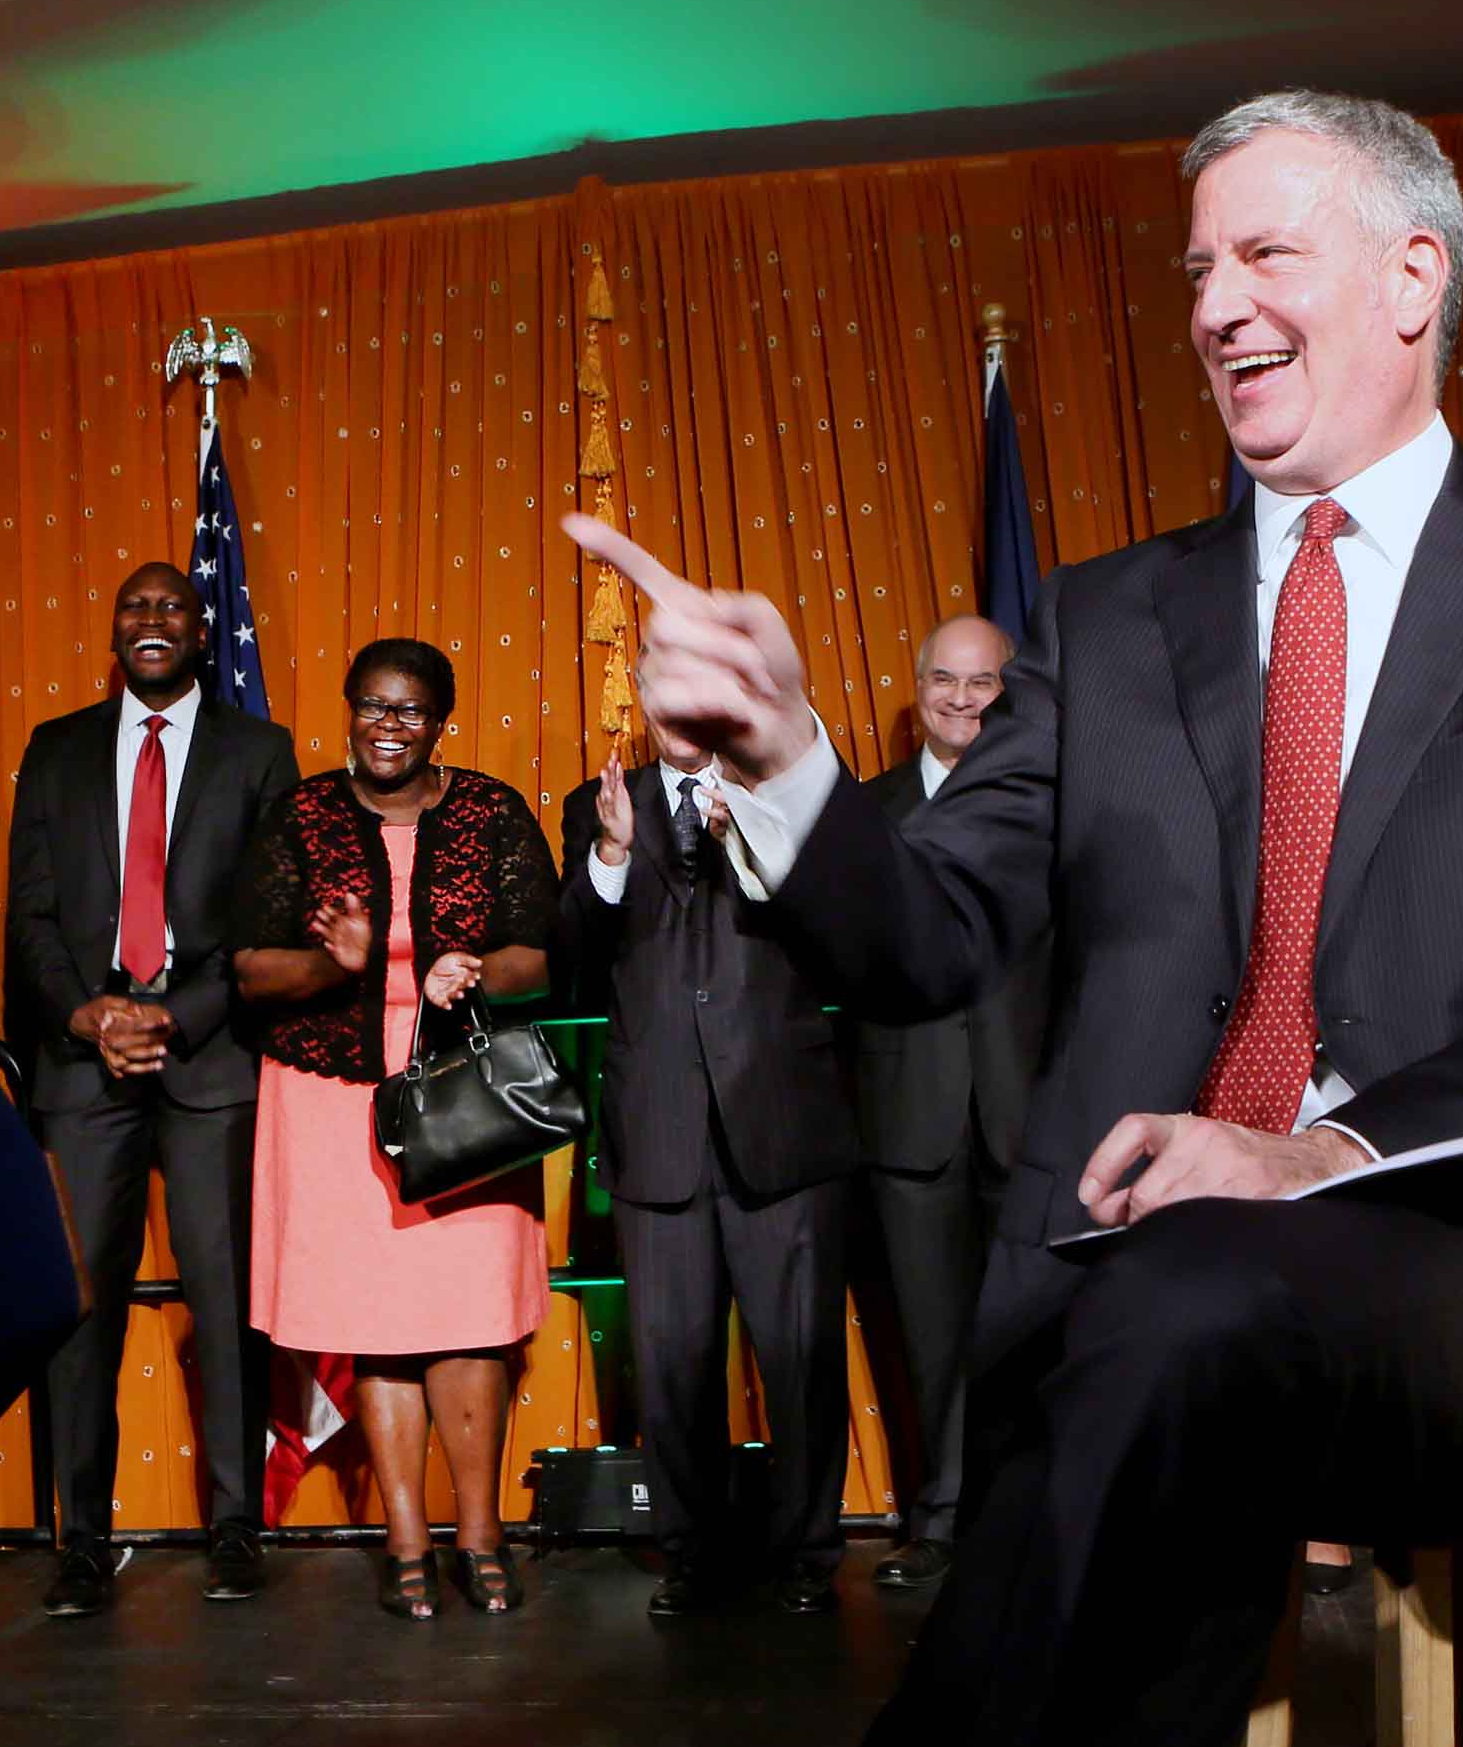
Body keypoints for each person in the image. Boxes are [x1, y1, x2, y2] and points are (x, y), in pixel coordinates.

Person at [569, 87, 1463, 1747]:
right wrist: (788, 756)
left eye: (1265, 251)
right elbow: (924, 935)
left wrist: (1320, 1153)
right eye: (1198, 265)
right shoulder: (1108, 617)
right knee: (1169, 1328)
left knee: (1183, 1308)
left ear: (1414, 275)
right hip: (1144, 1310)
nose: (1212, 305)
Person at [237, 640, 556, 1622]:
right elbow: (248, 969)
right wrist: (335, 965)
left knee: (468, 1321)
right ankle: (408, 1543)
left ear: (439, 723)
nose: (388, 725)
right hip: (335, 1094)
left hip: (462, 1096)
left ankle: (482, 1534)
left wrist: (471, 967)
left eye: (410, 711)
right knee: (377, 1326)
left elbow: (540, 957)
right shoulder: (297, 815)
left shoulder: (493, 811)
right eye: (372, 706)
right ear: (348, 710)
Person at [6, 563, 299, 1614]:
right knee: (82, 1313)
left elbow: (271, 919)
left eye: (171, 606)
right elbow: (30, 915)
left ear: (200, 627)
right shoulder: (55, 749)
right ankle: (80, 1539)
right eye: (133, 605)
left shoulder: (258, 752)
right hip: (85, 1064)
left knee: (223, 1305)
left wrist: (176, 1015)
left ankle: (234, 1527)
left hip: (211, 1061)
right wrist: (90, 1015)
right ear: (113, 627)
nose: (151, 621)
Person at [560, 719, 860, 1618]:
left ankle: (809, 1549)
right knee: (671, 1358)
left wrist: (752, 842)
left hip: (783, 1118)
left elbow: (841, 932)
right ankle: (689, 1550)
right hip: (659, 1128)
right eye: (665, 700)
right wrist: (609, 855)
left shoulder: (790, 793)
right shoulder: (597, 804)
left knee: (802, 1354)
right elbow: (573, 960)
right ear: (647, 710)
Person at [841, 616, 1047, 1590]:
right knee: (929, 1335)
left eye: (982, 683)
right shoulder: (866, 813)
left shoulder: (1054, 806)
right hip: (908, 1107)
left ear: (1008, 691)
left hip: (1030, 1111)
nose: (963, 698)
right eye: (944, 681)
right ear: (915, 688)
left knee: (1028, 1331)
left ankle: (1024, 1519)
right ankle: (938, 1518)